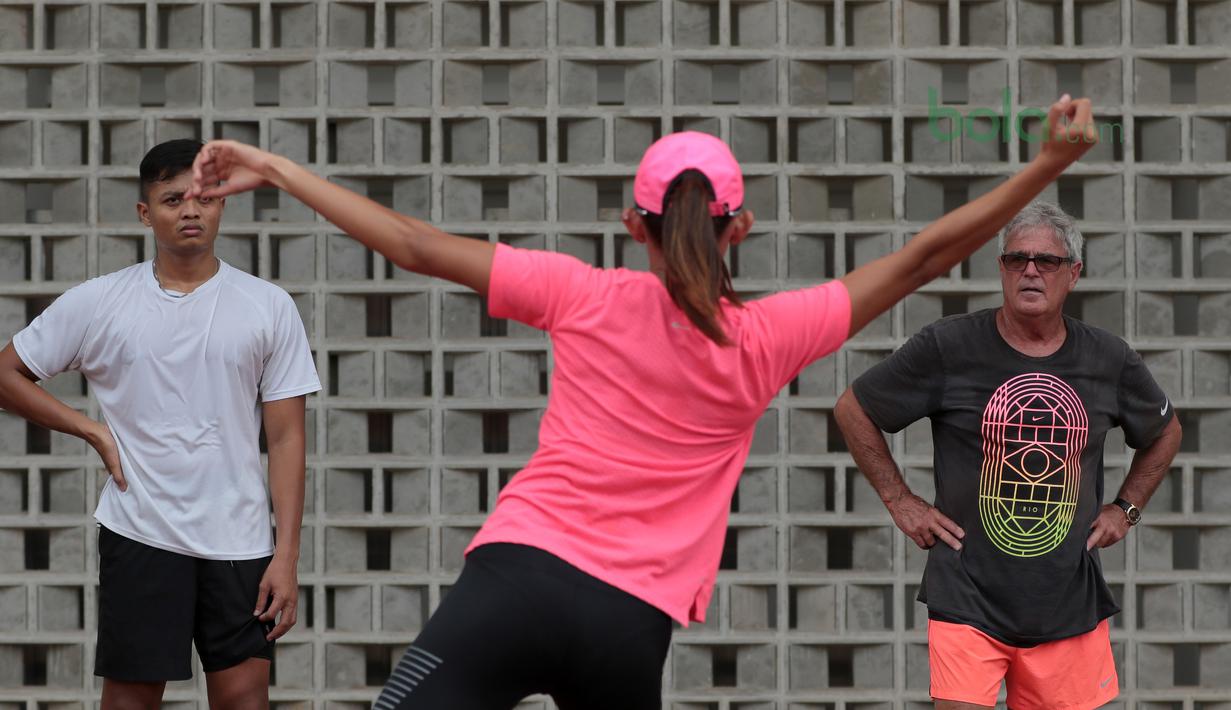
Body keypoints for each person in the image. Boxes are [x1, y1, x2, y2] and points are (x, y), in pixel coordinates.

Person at [185, 96, 1100, 710]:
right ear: (740, 227)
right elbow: (924, 258)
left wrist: (279, 169)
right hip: (627, 624)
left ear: (634, 224)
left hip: (513, 582)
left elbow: (415, 244)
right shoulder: (769, 335)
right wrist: (1045, 165)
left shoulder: (581, 293)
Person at [0, 139, 321, 710]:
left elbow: (287, 436)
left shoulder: (268, 306)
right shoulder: (102, 302)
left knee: (246, 700)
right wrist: (91, 430)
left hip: (241, 539)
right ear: (146, 213)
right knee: (130, 700)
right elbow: (7, 374)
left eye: (202, 198)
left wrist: (287, 554)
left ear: (221, 205)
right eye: (173, 199)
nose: (190, 211)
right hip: (141, 529)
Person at [834, 201, 1183, 710]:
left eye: (1047, 261)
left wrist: (1126, 508)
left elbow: (1165, 432)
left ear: (1074, 274)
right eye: (1016, 259)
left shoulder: (1108, 358)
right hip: (966, 597)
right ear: (1001, 268)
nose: (1031, 270)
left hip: (1068, 602)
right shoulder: (949, 347)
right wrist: (899, 499)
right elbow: (853, 408)